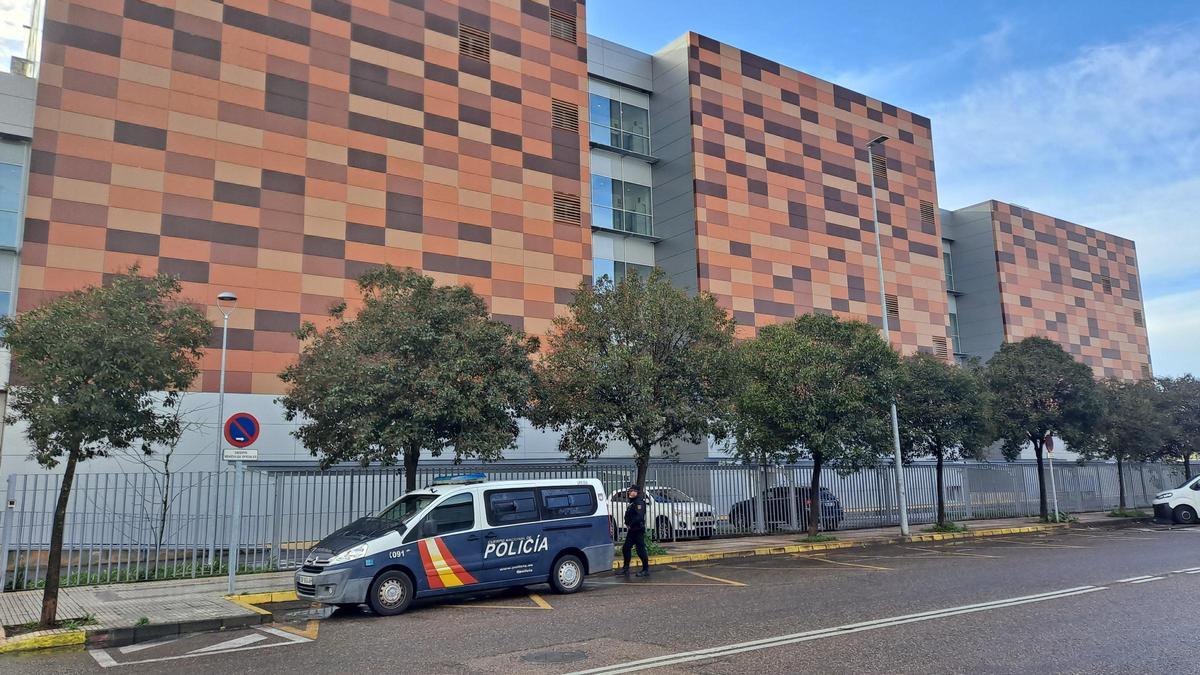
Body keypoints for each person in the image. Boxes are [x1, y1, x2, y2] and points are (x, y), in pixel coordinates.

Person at [620, 485, 650, 577]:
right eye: (629, 491)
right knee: (626, 548)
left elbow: (639, 517)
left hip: (638, 529)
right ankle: (625, 568)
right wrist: (627, 523)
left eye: (632, 491)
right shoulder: (632, 503)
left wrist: (630, 524)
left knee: (640, 550)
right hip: (632, 530)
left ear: (637, 492)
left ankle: (645, 570)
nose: (630, 492)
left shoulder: (639, 503)